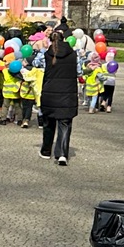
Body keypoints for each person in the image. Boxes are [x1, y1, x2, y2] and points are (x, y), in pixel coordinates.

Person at [38, 30, 79, 166]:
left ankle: (46, 150)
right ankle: (62, 153)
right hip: (67, 93)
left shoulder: (46, 55)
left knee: (48, 123)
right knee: (65, 123)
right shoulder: (73, 55)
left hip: (50, 92)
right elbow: (78, 71)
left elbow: (36, 65)